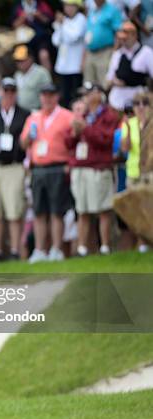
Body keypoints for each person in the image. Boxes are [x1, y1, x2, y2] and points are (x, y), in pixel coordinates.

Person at [20, 83, 74, 263]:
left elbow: (73, 142)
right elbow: (23, 143)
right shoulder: (33, 117)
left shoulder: (66, 116)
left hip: (58, 166)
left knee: (56, 211)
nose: (47, 98)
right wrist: (30, 137)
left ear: (56, 97)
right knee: (39, 211)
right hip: (38, 168)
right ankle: (40, 250)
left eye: (51, 95)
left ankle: (56, 249)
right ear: (41, 97)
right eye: (45, 95)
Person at [66, 82, 120, 255]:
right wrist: (74, 133)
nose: (86, 97)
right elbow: (69, 143)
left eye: (89, 93)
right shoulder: (83, 114)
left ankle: (105, 246)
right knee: (82, 210)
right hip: (81, 167)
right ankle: (83, 248)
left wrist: (86, 129)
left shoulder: (108, 116)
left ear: (99, 94)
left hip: (99, 167)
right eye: (85, 93)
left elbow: (106, 140)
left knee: (103, 209)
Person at [0, 77, 30, 260]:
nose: (9, 95)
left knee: (14, 210)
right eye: (6, 91)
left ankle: (15, 249)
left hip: (14, 165)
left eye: (12, 91)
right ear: (0, 92)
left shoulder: (24, 115)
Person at [121, 91, 151, 252]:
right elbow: (125, 148)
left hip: (150, 172)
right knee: (138, 211)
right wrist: (126, 127)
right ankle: (142, 243)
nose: (140, 107)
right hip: (133, 171)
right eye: (137, 104)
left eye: (144, 103)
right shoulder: (129, 124)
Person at [106, 21, 153, 110]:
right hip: (117, 101)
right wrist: (115, 82)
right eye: (121, 38)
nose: (123, 41)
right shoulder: (117, 54)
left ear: (134, 35)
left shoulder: (146, 52)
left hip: (138, 101)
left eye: (125, 38)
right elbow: (109, 79)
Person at [52, 0, 88, 107]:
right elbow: (55, 41)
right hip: (63, 66)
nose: (68, 8)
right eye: (66, 6)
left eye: (71, 6)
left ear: (77, 7)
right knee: (64, 96)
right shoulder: (65, 20)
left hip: (75, 66)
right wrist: (60, 26)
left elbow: (74, 36)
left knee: (76, 96)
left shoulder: (81, 19)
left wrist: (63, 24)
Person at [83, 0, 123, 87]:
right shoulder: (92, 10)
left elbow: (119, 33)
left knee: (105, 84)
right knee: (88, 84)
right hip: (90, 52)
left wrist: (114, 53)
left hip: (105, 51)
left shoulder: (113, 10)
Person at [12, 0, 55, 72]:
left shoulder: (41, 4)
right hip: (24, 41)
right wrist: (22, 17)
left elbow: (49, 21)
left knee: (44, 55)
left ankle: (47, 80)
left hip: (41, 39)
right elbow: (14, 25)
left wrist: (39, 15)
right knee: (22, 58)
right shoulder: (18, 6)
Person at [13, 44, 53, 111]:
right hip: (20, 113)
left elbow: (49, 94)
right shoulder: (17, 75)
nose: (20, 63)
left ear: (30, 58)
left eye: (22, 60)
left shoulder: (41, 73)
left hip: (36, 111)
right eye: (17, 60)